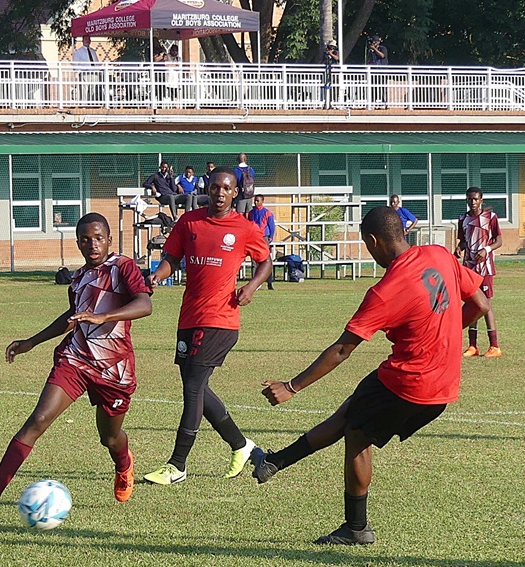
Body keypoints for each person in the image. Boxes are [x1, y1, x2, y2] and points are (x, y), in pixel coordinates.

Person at [251, 206, 490, 546]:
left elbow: (342, 350)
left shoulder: (387, 289)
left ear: (373, 241)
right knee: (353, 411)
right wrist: (446, 331)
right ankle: (272, 462)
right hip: (444, 385)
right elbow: (480, 304)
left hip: (409, 381)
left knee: (357, 433)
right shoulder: (440, 255)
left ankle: (356, 528)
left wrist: (292, 386)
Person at [0, 213, 153, 520]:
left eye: (98, 238)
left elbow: (145, 304)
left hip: (114, 370)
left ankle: (123, 463)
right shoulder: (78, 279)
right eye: (85, 239)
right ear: (77, 242)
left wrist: (103, 317)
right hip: (75, 360)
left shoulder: (122, 267)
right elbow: (72, 316)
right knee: (37, 420)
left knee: (109, 437)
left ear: (108, 240)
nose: (92, 244)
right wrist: (31, 342)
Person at [142, 167, 272, 486]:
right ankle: (243, 447)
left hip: (220, 320)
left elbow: (265, 262)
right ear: (207, 189)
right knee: (196, 385)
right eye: (214, 187)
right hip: (189, 317)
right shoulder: (190, 222)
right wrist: (157, 276)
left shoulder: (243, 228)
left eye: (226, 188)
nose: (219, 193)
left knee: (193, 388)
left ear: (235, 193)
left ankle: (177, 465)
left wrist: (251, 287)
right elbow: (172, 257)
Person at [456, 187, 503, 358]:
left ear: (481, 200)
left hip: (485, 269)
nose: (473, 202)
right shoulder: (463, 219)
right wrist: (458, 249)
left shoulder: (491, 218)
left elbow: (499, 241)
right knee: (472, 305)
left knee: (486, 304)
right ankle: (472, 346)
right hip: (469, 268)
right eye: (470, 199)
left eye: (476, 199)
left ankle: (494, 346)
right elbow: (463, 241)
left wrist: (487, 249)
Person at [248, 195, 276, 290]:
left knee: (266, 259)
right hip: (254, 238)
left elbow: (271, 226)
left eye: (257, 201)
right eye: (255, 201)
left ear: (262, 201)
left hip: (264, 237)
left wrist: (270, 237)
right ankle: (255, 282)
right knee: (254, 260)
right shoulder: (252, 213)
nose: (255, 202)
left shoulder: (267, 213)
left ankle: (269, 282)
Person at [72, 36, 100, 104]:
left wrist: (98, 70)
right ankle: (84, 104)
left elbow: (96, 62)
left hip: (94, 72)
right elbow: (75, 64)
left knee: (93, 90)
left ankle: (92, 104)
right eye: (86, 39)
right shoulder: (79, 51)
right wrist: (79, 72)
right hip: (84, 73)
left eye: (88, 39)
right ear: (83, 41)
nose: (87, 41)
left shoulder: (93, 51)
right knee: (84, 90)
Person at [365, 35, 389, 106]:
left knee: (382, 87)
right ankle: (373, 102)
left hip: (382, 71)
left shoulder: (382, 48)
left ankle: (383, 103)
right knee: (373, 87)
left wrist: (375, 49)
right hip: (373, 71)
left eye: (374, 42)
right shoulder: (370, 51)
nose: (373, 44)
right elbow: (369, 60)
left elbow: (382, 56)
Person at [323, 43, 339, 109]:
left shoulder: (336, 52)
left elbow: (337, 58)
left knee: (335, 88)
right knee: (327, 86)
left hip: (335, 73)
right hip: (327, 72)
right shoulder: (325, 53)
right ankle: (327, 103)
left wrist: (331, 54)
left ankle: (334, 102)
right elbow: (323, 61)